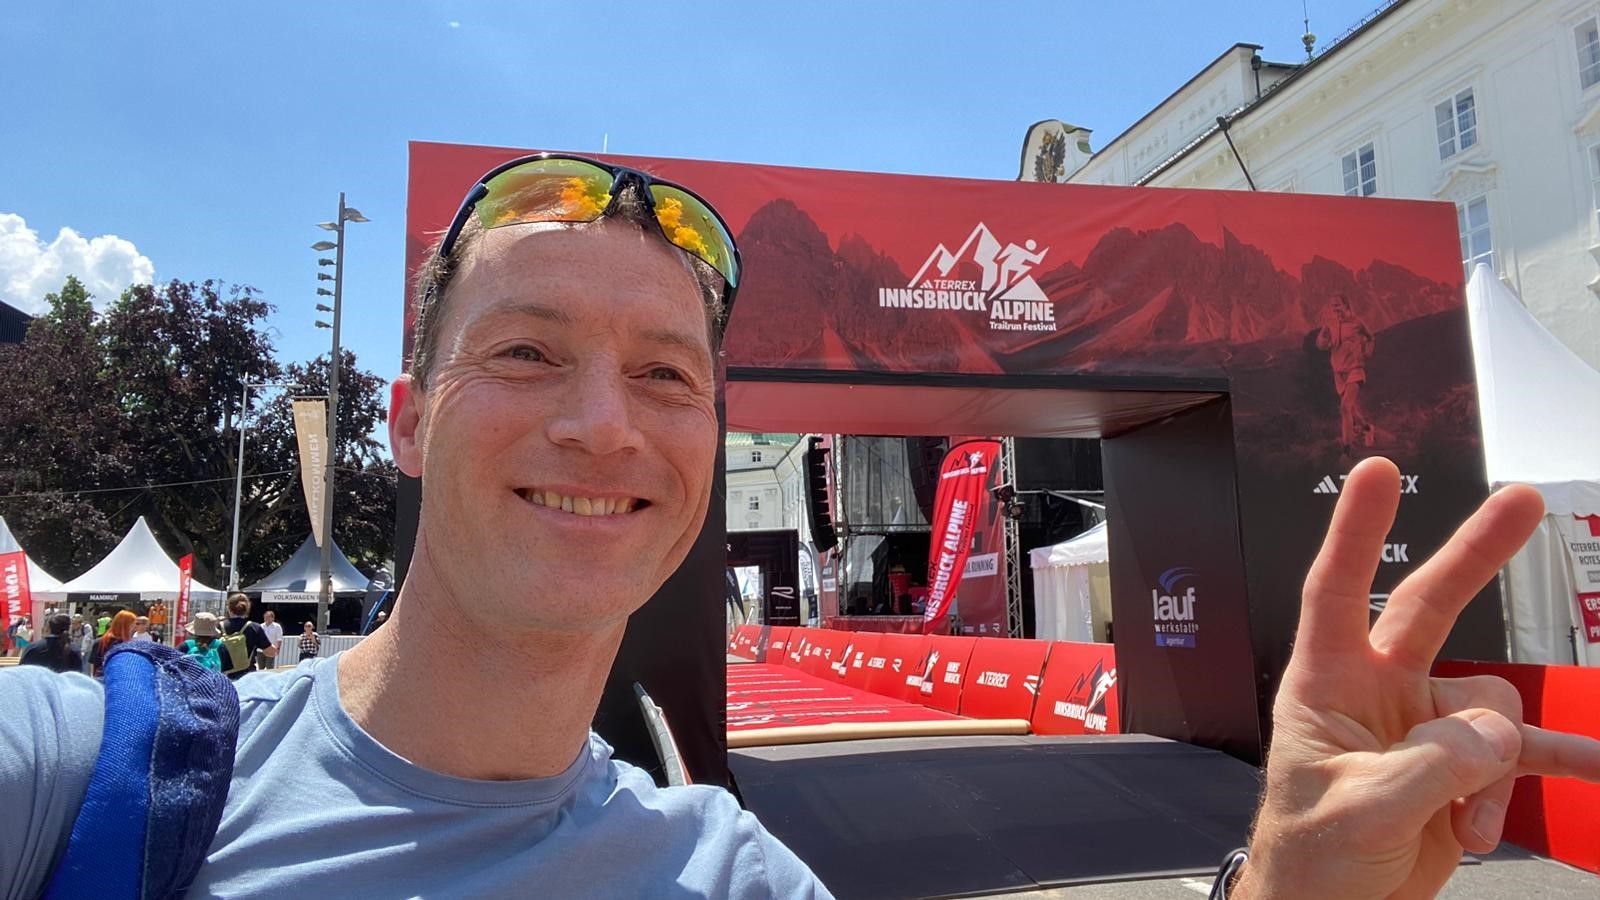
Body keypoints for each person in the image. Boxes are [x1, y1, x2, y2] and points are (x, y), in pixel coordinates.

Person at [0, 155, 1597, 899]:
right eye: (529, 353)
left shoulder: (727, 875)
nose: (604, 426)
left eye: (666, 376)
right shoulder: (85, 775)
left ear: (710, 445)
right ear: (408, 423)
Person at [1315, 293, 1376, 457]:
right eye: (1332, 305)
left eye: (1338, 305)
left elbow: (1371, 337)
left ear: (1346, 305)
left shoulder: (1356, 322)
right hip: (1338, 372)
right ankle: (1367, 428)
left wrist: (1368, 351)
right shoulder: (1329, 324)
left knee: (1344, 407)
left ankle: (1347, 450)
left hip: (1355, 369)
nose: (1335, 308)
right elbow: (1321, 344)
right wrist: (1323, 339)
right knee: (1351, 410)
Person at [221, 593, 270, 679]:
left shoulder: (219, 626)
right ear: (247, 609)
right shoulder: (254, 627)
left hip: (224, 676)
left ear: (229, 608)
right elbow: (269, 652)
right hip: (247, 676)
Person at [88, 610, 136, 678]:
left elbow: (93, 668)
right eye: (132, 626)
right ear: (125, 626)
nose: (134, 629)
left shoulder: (99, 642)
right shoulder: (124, 644)